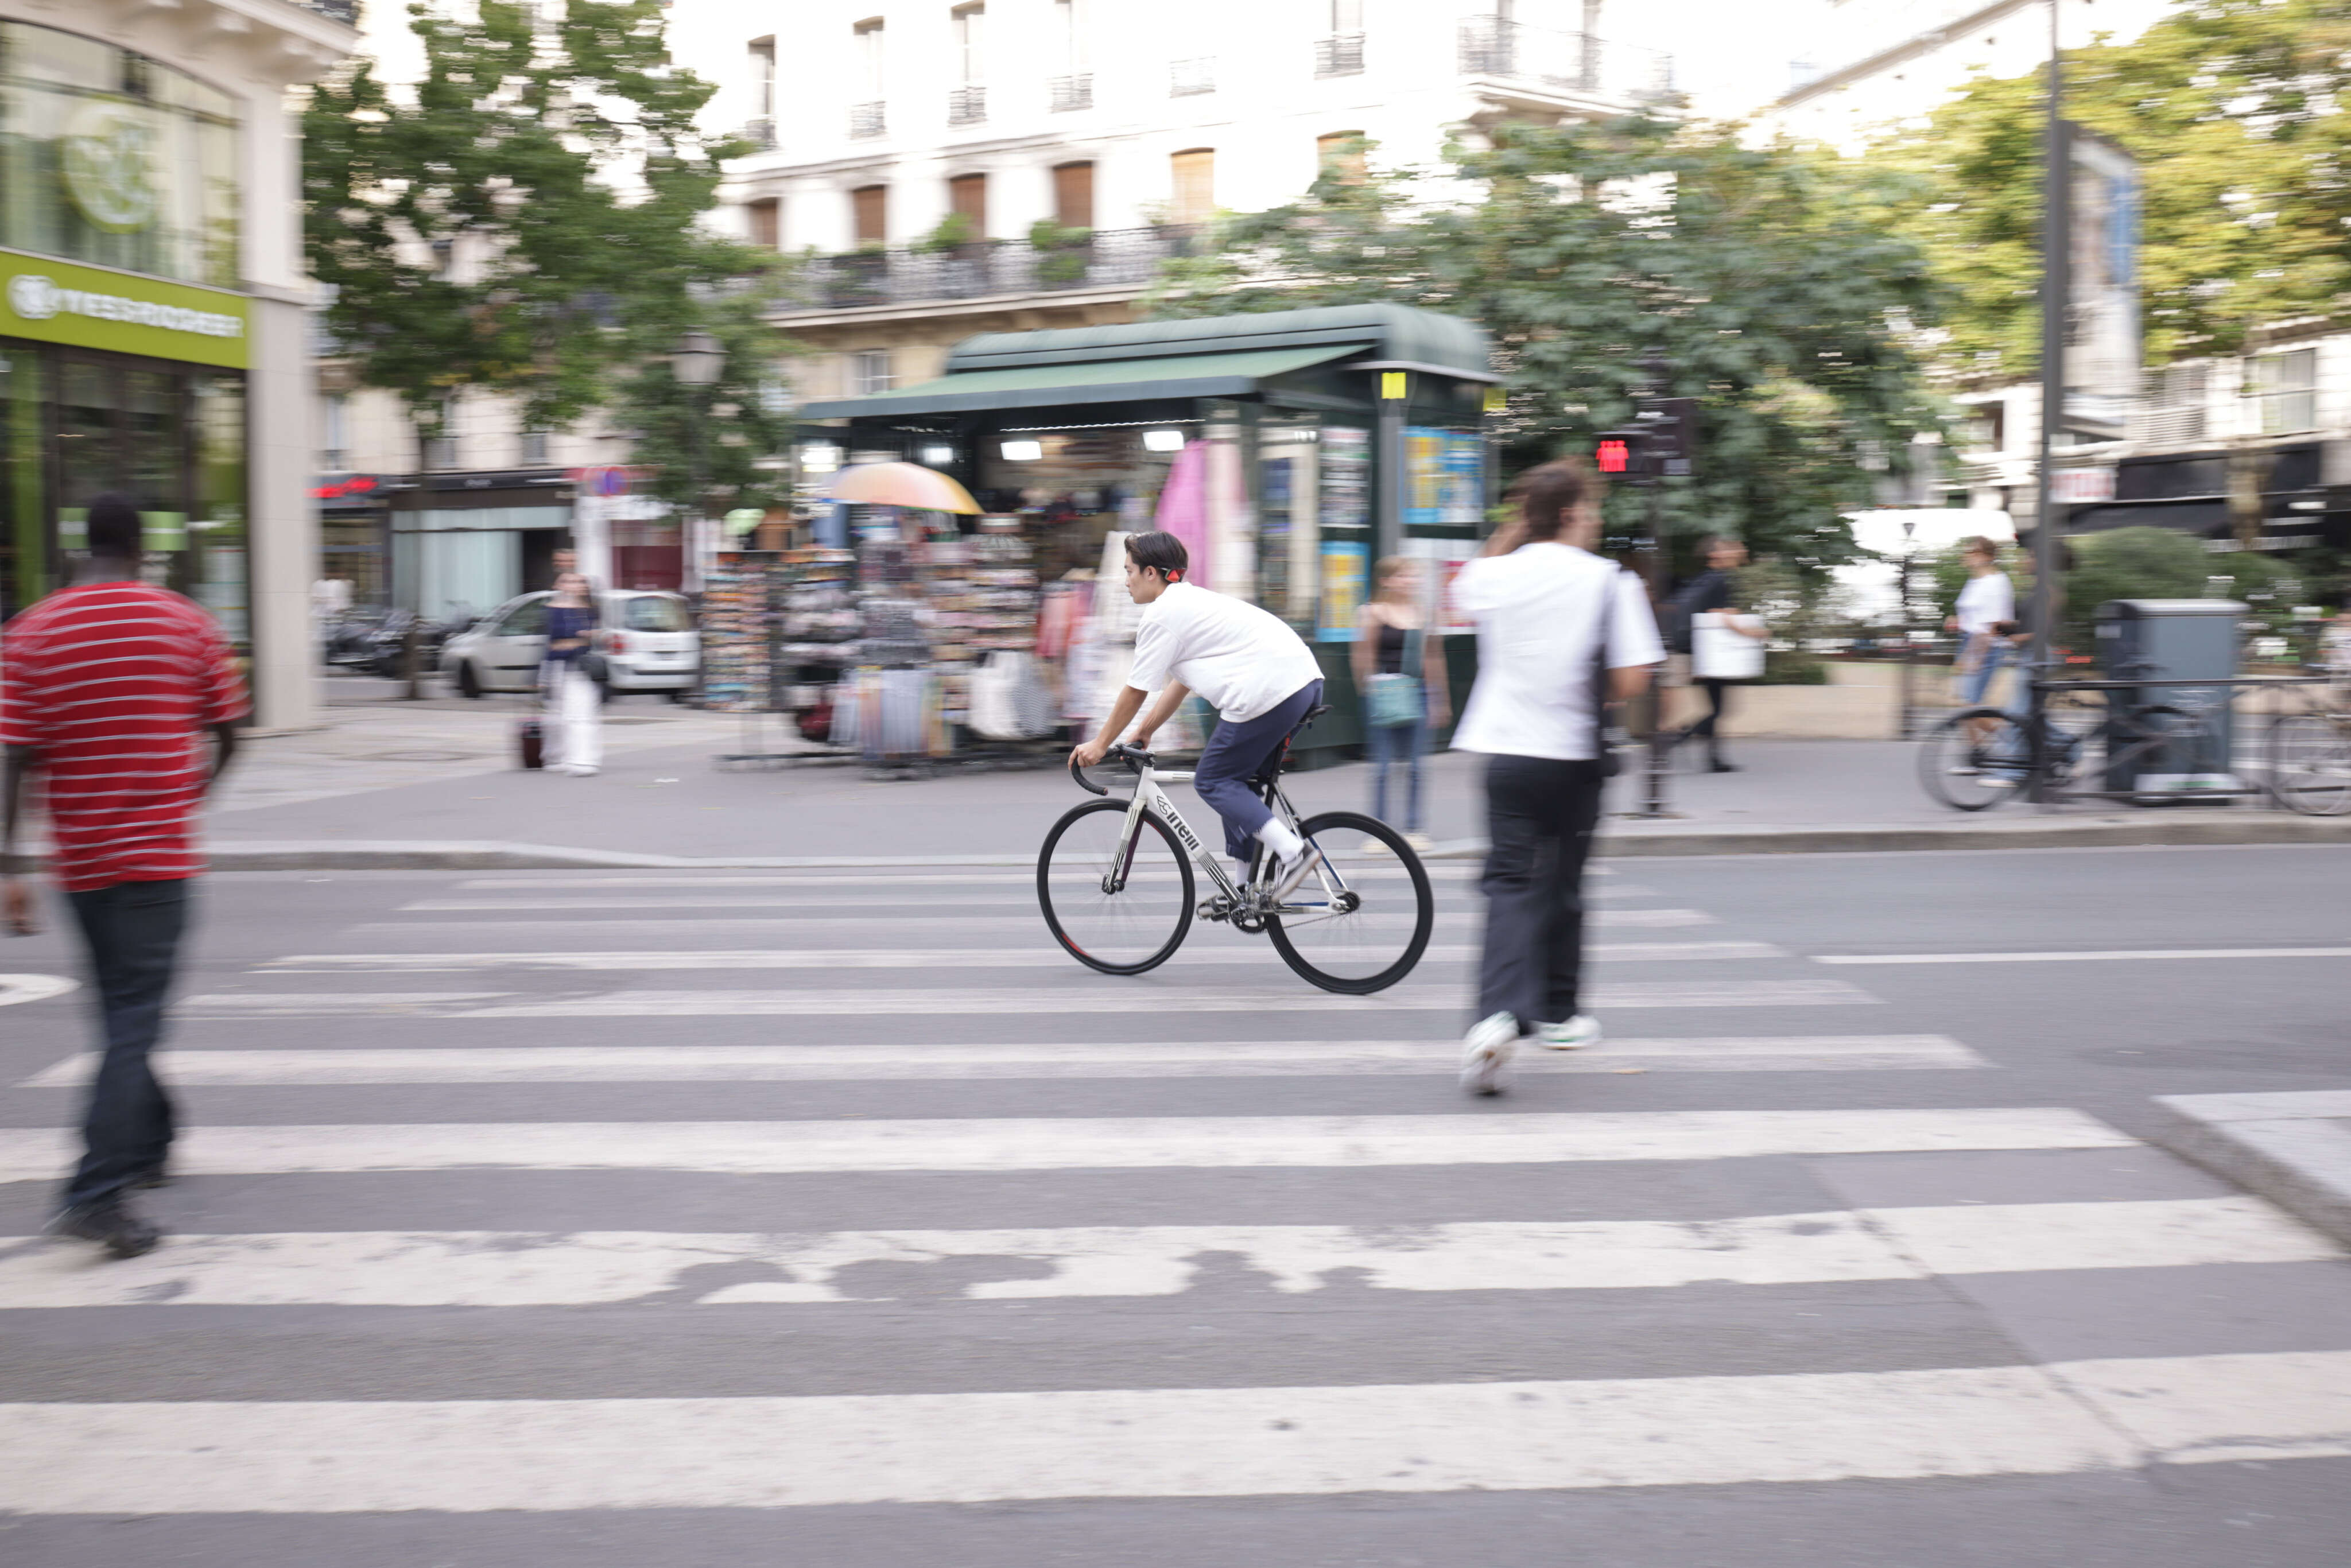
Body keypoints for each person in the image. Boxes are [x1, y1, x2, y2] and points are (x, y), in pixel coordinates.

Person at [1, 492, 246, 1258]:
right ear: (143, 549)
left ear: (85, 547)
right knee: (136, 1017)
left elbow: (15, 756)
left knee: (121, 1012)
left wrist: (11, 867)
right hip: (158, 859)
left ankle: (150, 1139)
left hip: (81, 866)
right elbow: (232, 730)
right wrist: (194, 792)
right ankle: (94, 1192)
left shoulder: (32, 632)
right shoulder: (186, 623)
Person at [1449, 458, 1663, 1095]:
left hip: (1505, 756)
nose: (1597, 520)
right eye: (1591, 509)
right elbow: (1631, 678)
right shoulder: (1609, 583)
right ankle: (1559, 1013)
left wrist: (1518, 527)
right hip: (1574, 757)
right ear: (1571, 513)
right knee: (1565, 884)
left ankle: (1493, 1018)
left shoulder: (1492, 574)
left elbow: (1466, 592)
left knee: (1510, 884)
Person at [1070, 531, 1326, 884]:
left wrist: (1099, 744)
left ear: (1151, 573)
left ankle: (1294, 853)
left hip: (1269, 692)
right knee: (1239, 782)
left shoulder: (1162, 615)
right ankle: (1244, 888)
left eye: (1129, 571)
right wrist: (1146, 731)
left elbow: (1135, 691)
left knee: (1214, 779)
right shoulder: (1190, 603)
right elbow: (1183, 682)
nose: (1125, 581)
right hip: (1305, 684)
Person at [1351, 556, 1452, 851]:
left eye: (1413, 575)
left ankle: (1414, 828)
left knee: (1417, 765)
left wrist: (1439, 699)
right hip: (1383, 693)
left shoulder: (1425, 614)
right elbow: (1363, 655)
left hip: (1417, 692)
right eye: (1403, 576)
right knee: (1382, 767)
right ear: (1386, 581)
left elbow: (1434, 657)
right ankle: (1380, 830)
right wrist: (1368, 692)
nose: (1410, 581)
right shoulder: (1371, 613)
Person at [1666, 535, 1764, 773]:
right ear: (1717, 555)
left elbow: (1714, 610)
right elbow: (1719, 615)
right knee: (1719, 709)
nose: (1739, 551)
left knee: (1715, 707)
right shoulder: (1720, 580)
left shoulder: (1704, 579)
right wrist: (1752, 632)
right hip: (1711, 653)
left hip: (1696, 649)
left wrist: (1727, 612)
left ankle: (1713, 759)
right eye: (1733, 549)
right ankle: (1680, 736)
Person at [542, 570, 603, 778]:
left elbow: (594, 638)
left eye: (579, 582)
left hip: (582, 668)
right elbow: (551, 643)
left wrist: (589, 637)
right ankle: (559, 757)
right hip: (559, 667)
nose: (575, 585)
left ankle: (584, 759)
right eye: (569, 581)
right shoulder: (553, 610)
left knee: (582, 715)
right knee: (560, 717)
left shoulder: (589, 609)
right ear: (558, 585)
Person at [1946, 535, 2015, 715]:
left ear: (1988, 556)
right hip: (1970, 643)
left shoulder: (1997, 582)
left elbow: (1993, 625)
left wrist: (1973, 659)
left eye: (1974, 552)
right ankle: (1991, 741)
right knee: (1967, 707)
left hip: (1985, 646)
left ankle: (2013, 735)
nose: (1968, 555)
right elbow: (1974, 616)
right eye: (1967, 551)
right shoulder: (1975, 581)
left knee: (1970, 708)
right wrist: (1957, 620)